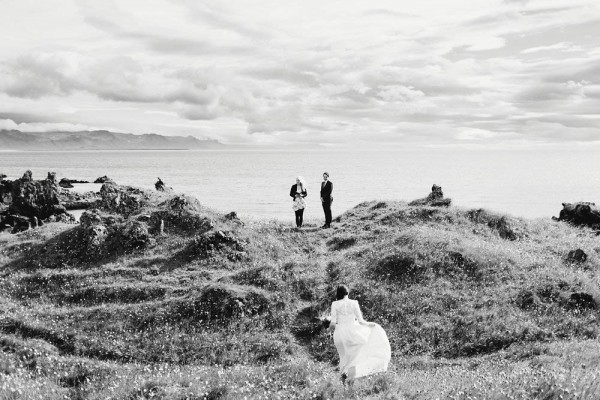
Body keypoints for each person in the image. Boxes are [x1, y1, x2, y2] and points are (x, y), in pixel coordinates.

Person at [328, 285, 391, 384]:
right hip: (353, 333)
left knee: (345, 357)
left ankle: (345, 379)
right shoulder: (354, 303)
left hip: (340, 335)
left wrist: (329, 331)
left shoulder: (335, 304)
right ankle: (350, 380)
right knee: (354, 358)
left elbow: (332, 323)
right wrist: (370, 324)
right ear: (347, 293)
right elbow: (361, 321)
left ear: (338, 294)